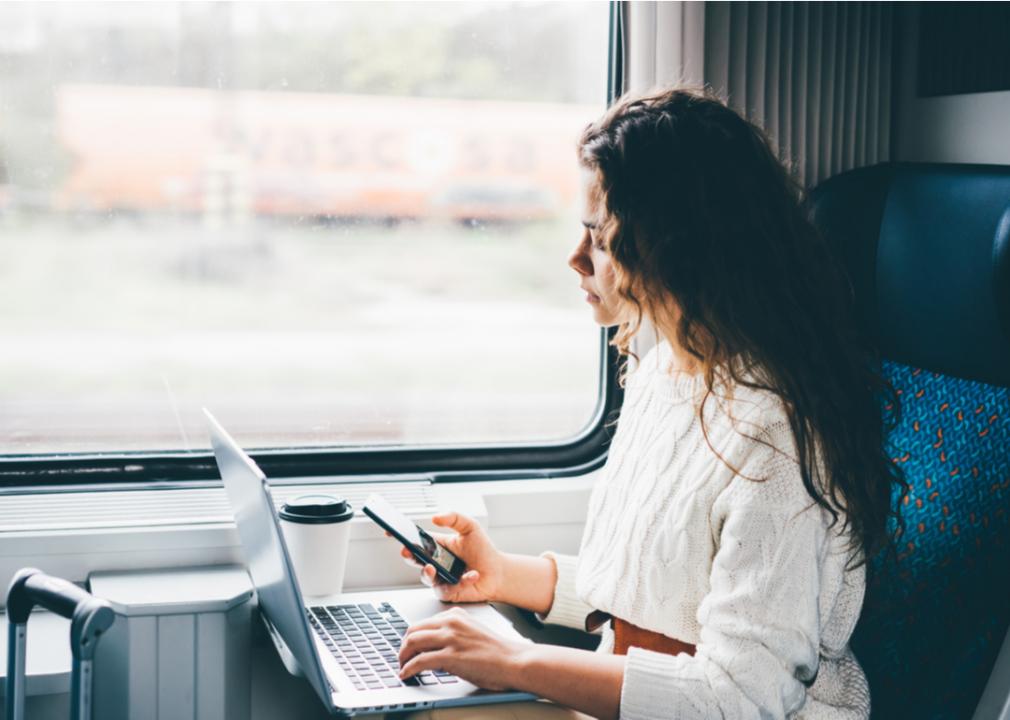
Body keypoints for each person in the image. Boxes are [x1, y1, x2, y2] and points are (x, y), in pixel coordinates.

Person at [395, 87, 906, 720]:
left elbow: (739, 697)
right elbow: (656, 600)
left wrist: (515, 662)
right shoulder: (665, 364)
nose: (576, 259)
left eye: (601, 240)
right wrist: (503, 575)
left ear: (676, 250)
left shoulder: (777, 441)